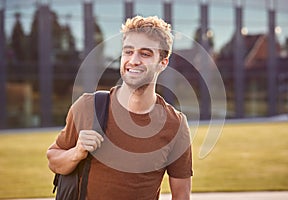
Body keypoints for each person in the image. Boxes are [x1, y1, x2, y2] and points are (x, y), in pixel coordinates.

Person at [47, 15, 193, 200]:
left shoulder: (176, 125)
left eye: (145, 54)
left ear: (162, 63)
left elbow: (181, 195)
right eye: (128, 51)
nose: (133, 60)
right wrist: (76, 152)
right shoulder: (87, 107)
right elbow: (54, 158)